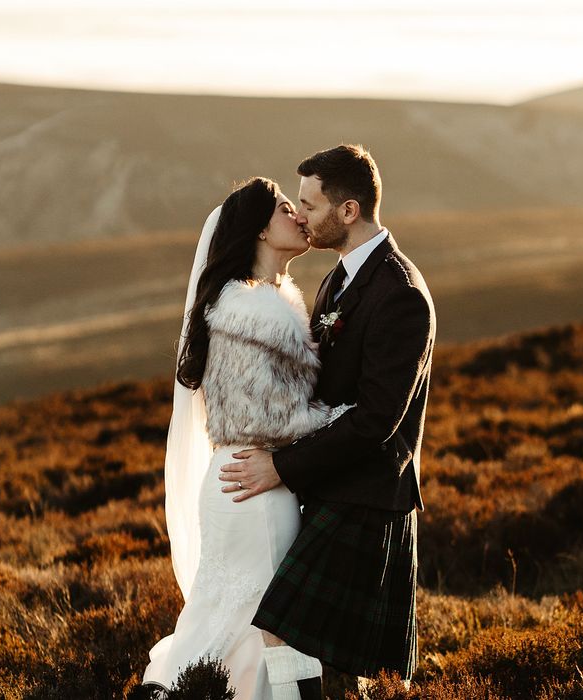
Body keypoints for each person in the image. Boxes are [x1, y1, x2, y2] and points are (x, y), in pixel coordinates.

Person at [218, 145, 436, 693]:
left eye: (311, 206)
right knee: (314, 649)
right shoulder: (338, 279)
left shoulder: (400, 294)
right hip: (333, 486)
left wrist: (282, 467)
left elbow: (377, 421)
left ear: (348, 210)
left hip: (368, 496)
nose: (302, 217)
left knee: (293, 632)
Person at [142, 177, 350, 700]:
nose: (300, 217)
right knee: (264, 621)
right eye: (286, 208)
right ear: (260, 227)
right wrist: (343, 417)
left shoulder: (264, 303)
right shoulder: (247, 315)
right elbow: (266, 419)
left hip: (245, 480)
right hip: (254, 485)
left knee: (240, 620)